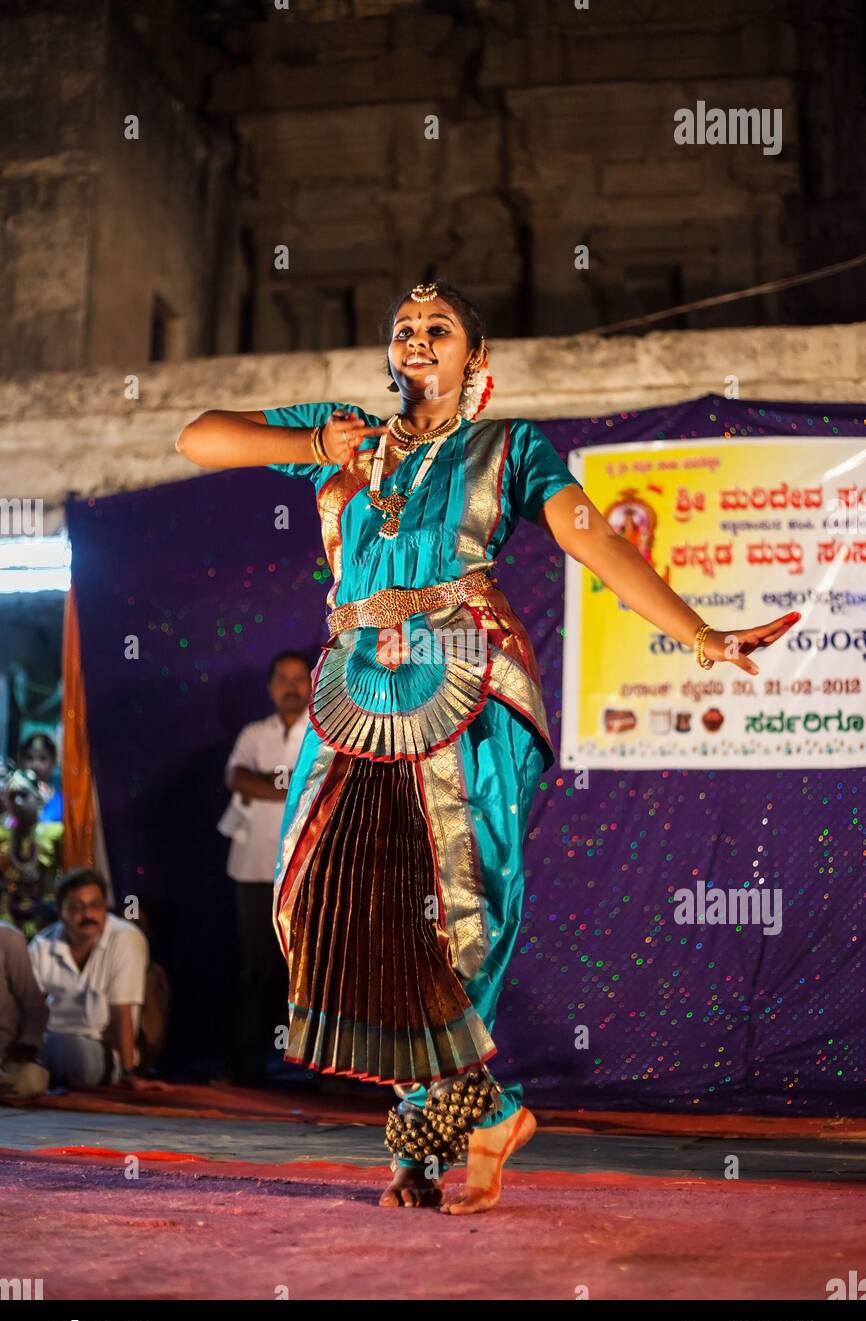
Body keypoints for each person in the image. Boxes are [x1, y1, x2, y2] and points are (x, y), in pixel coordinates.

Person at [176, 278, 801, 1215]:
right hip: (353, 685)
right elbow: (199, 436)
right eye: (404, 329)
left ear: (475, 355)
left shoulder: (511, 449)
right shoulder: (344, 434)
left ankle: (428, 1146)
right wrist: (311, 445)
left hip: (467, 679)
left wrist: (704, 635)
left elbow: (592, 541)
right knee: (329, 904)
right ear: (390, 357)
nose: (418, 338)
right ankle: (482, 1113)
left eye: (439, 327)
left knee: (458, 909)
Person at [221, 651, 311, 1084]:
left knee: (307, 969)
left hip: (308, 870)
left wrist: (272, 786)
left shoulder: (323, 729)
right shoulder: (254, 733)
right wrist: (292, 786)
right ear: (271, 686)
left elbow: (324, 784)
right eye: (283, 679)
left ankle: (306, 1068)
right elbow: (236, 778)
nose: (291, 687)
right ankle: (248, 1066)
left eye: (299, 678)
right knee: (255, 968)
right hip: (255, 869)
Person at [28, 868, 151, 1090]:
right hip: (50, 1038)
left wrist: (129, 1073)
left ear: (105, 906)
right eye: (76, 908)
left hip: (99, 1049)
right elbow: (24, 1003)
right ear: (60, 911)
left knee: (79, 1058)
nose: (87, 915)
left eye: (95, 906)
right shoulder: (42, 944)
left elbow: (122, 1012)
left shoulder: (125, 938)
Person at [0, 765, 63, 940]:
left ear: (38, 798)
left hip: (45, 916)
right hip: (7, 914)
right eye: (13, 797)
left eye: (24, 795)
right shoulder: (2, 836)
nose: (18, 802)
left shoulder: (55, 833)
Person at [0, 920, 50, 1101]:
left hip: (6, 1058)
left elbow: (34, 1005)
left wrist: (28, 1043)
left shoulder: (8, 939)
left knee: (32, 1079)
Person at [19, 732, 63, 823]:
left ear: (53, 761)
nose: (36, 765)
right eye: (30, 758)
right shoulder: (16, 796)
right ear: (22, 761)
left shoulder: (62, 800)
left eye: (43, 758)